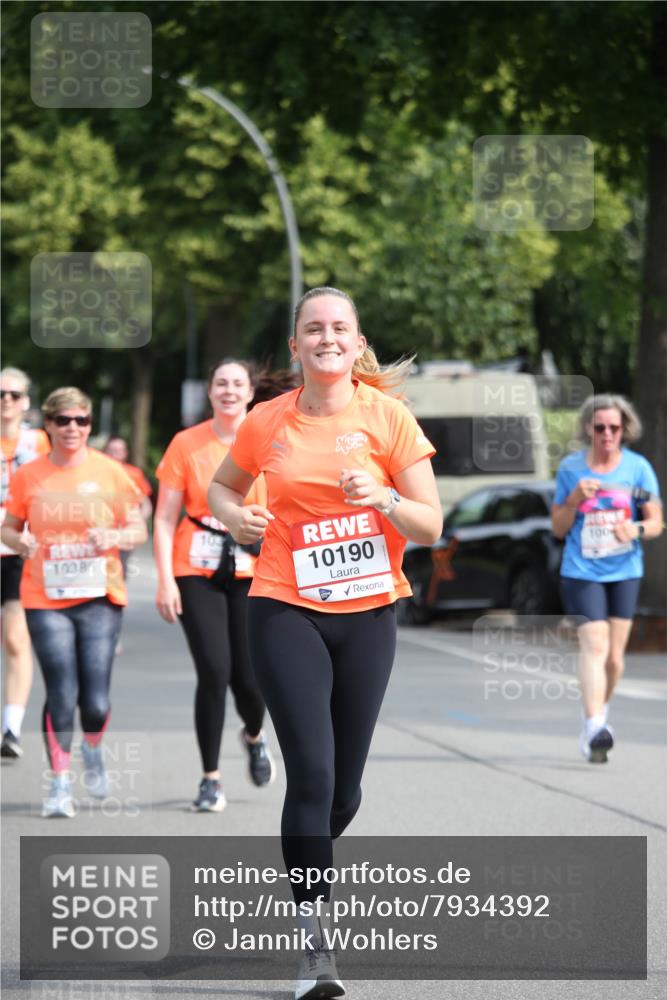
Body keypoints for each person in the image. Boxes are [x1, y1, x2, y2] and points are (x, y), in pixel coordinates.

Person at [208, 287, 442, 1000]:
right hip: (285, 606)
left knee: (343, 792)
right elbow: (222, 490)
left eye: (340, 327)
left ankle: (306, 857)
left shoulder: (388, 418)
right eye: (314, 328)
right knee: (311, 777)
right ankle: (315, 945)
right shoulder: (266, 420)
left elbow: (430, 524)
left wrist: (384, 498)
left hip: (368, 612)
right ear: (296, 345)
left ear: (358, 342)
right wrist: (236, 519)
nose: (327, 337)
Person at [1, 387, 147, 817]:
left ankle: (93, 747)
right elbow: (8, 527)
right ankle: (60, 782)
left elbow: (137, 528)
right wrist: (20, 542)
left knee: (96, 701)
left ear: (89, 425)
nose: (72, 428)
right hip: (45, 595)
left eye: (81, 420)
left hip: (100, 595)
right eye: (62, 420)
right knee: (62, 690)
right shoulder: (30, 475)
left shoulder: (110, 472)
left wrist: (114, 536)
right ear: (48, 424)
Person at [153, 359, 275, 814]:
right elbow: (164, 517)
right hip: (195, 567)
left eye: (237, 383)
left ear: (250, 393)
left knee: (250, 680)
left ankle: (255, 736)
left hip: (253, 568)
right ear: (209, 392)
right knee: (213, 670)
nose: (229, 390)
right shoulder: (187, 443)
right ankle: (210, 778)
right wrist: (165, 580)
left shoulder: (268, 440)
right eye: (220, 383)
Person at [551, 394, 663, 763]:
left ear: (624, 429)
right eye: (600, 427)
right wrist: (573, 501)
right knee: (595, 646)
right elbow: (558, 528)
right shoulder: (571, 469)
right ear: (588, 428)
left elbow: (656, 522)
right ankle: (594, 725)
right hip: (581, 570)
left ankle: (598, 717)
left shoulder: (637, 469)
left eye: (614, 427)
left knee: (614, 660)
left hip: (624, 571)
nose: (607, 434)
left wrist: (636, 528)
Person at [1, 367, 50, 759]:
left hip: (21, 549)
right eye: (0, 394)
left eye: (14, 395)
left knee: (16, 639)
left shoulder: (39, 442)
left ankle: (11, 729)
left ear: (26, 402)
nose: (6, 401)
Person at [102, 436, 153, 521]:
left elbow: (145, 503)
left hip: (128, 522)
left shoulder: (134, 473)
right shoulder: (97, 473)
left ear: (125, 453)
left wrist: (139, 521)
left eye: (119, 450)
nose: (115, 453)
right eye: (112, 450)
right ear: (104, 452)